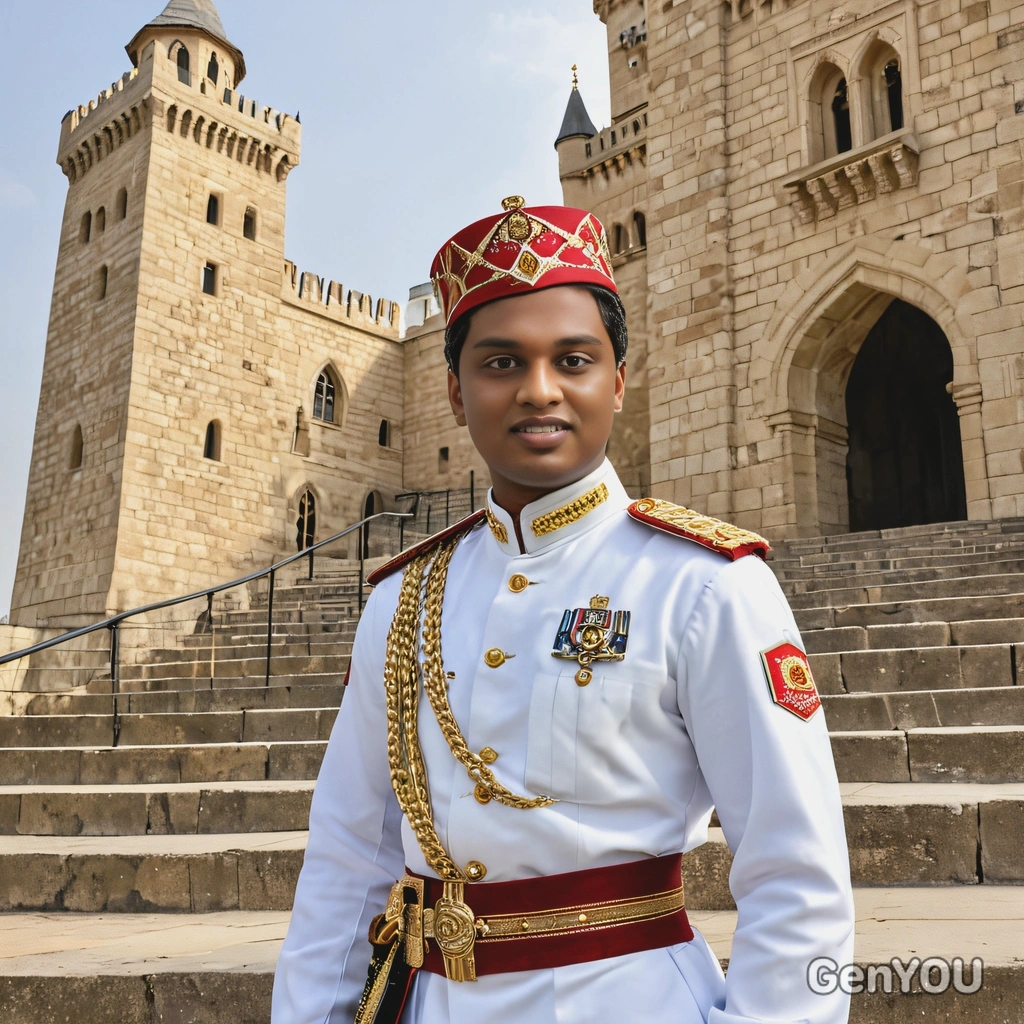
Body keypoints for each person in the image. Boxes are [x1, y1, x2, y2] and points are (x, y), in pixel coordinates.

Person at [272, 197, 854, 1024]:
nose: (538, 390)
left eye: (573, 360)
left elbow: (798, 874)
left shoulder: (704, 585)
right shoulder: (403, 600)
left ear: (617, 382)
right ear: (453, 390)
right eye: (502, 363)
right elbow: (347, 855)